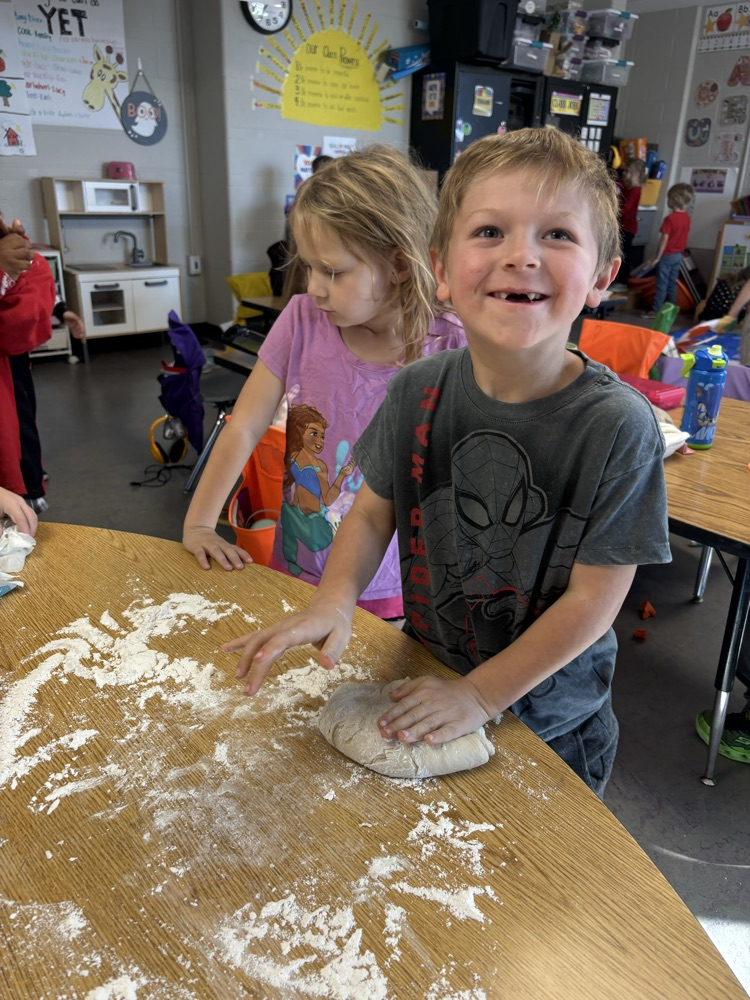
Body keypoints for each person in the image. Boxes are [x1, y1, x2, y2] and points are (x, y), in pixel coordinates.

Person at [220, 128, 672, 799]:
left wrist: (480, 695)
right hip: (428, 676)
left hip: (550, 724)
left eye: (557, 235)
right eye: (490, 231)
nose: (520, 255)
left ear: (604, 275)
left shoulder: (615, 426)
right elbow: (374, 512)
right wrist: (336, 601)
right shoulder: (418, 389)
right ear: (439, 265)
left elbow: (593, 603)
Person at [182, 144, 466, 619]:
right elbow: (245, 426)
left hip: (400, 587)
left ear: (398, 264)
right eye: (310, 267)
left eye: (332, 271)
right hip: (298, 567)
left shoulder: (453, 347)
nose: (313, 286)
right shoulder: (302, 320)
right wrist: (199, 525)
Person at [0, 215, 85, 509]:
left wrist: (61, 310)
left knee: (22, 423)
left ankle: (28, 486)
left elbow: (24, 279)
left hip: (12, 363)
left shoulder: (8, 240)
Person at [642, 182, 695, 318]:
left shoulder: (670, 219)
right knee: (672, 283)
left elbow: (664, 240)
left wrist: (657, 257)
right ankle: (671, 308)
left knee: (661, 284)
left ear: (674, 199)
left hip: (666, 255)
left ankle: (656, 310)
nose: (667, 200)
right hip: (678, 255)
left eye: (669, 198)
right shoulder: (687, 218)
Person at [616, 158, 647, 283]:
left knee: (624, 256)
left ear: (637, 174)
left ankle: (623, 282)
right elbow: (621, 186)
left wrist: (615, 204)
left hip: (627, 228)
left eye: (627, 171)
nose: (624, 173)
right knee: (620, 255)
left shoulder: (635, 190)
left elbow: (626, 209)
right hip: (624, 227)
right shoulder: (629, 188)